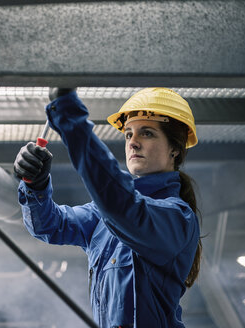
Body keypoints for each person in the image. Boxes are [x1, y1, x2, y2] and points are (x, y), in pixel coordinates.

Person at [13, 87, 202, 328]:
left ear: (175, 149)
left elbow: (122, 205)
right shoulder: (102, 214)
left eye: (147, 133)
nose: (133, 142)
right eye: (128, 134)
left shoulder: (177, 218)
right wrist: (35, 185)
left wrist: (69, 115)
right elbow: (50, 225)